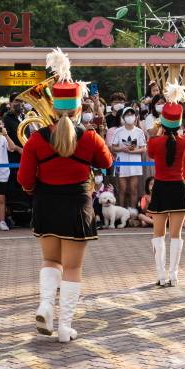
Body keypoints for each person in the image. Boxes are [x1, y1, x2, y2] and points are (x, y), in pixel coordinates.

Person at [19, 52, 113, 343]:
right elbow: (107, 163)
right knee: (73, 267)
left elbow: (24, 179)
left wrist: (38, 192)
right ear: (77, 108)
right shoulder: (90, 137)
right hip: (77, 204)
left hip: (46, 202)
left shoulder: (35, 138)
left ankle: (46, 306)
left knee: (50, 260)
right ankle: (64, 328)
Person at [146, 83, 185, 287]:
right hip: (179, 187)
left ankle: (160, 275)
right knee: (176, 234)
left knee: (158, 234)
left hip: (161, 188)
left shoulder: (154, 142)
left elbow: (151, 152)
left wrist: (158, 130)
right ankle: (173, 274)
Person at [107, 104, 148, 213]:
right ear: (123, 117)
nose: (130, 116)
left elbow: (143, 149)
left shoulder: (139, 132)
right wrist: (122, 149)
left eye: (132, 114)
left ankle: (133, 213)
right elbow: (112, 147)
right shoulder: (118, 131)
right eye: (127, 114)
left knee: (133, 189)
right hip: (122, 161)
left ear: (135, 116)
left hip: (135, 162)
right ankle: (120, 213)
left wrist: (132, 151)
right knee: (122, 189)